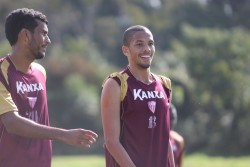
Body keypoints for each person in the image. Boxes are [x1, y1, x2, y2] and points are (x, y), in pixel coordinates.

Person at [0, 8, 98, 167]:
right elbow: (11, 123)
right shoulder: (1, 72)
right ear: (25, 35)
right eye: (44, 33)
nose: (48, 40)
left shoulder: (40, 72)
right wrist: (64, 135)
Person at [101, 25, 175, 167]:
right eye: (139, 44)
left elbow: (164, 138)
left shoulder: (164, 84)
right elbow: (111, 142)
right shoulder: (115, 84)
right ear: (125, 50)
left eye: (150, 44)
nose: (147, 49)